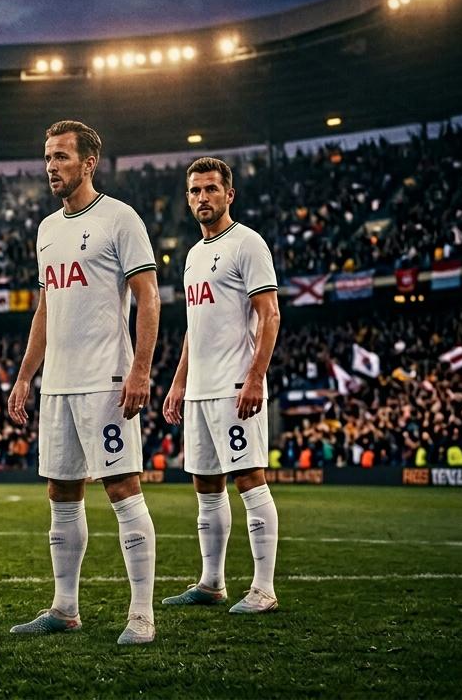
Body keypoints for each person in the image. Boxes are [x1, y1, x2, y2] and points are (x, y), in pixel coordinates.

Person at [7, 120, 161, 645]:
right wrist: (25, 376)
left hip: (106, 380)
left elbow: (149, 297)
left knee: (122, 489)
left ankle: (141, 615)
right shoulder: (47, 229)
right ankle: (64, 608)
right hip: (58, 384)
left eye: (62, 157)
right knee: (61, 492)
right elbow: (46, 309)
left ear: (88, 162)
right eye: (48, 157)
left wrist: (140, 369)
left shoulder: (120, 218)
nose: (51, 166)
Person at [161, 157, 282, 615]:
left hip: (235, 386)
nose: (203, 197)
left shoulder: (247, 243)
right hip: (199, 390)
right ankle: (212, 583)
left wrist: (255, 377)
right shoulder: (193, 255)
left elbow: (270, 315)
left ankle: (264, 589)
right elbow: (195, 328)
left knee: (250, 479)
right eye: (195, 190)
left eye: (211, 188)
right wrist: (178, 383)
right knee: (206, 486)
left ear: (229, 194)